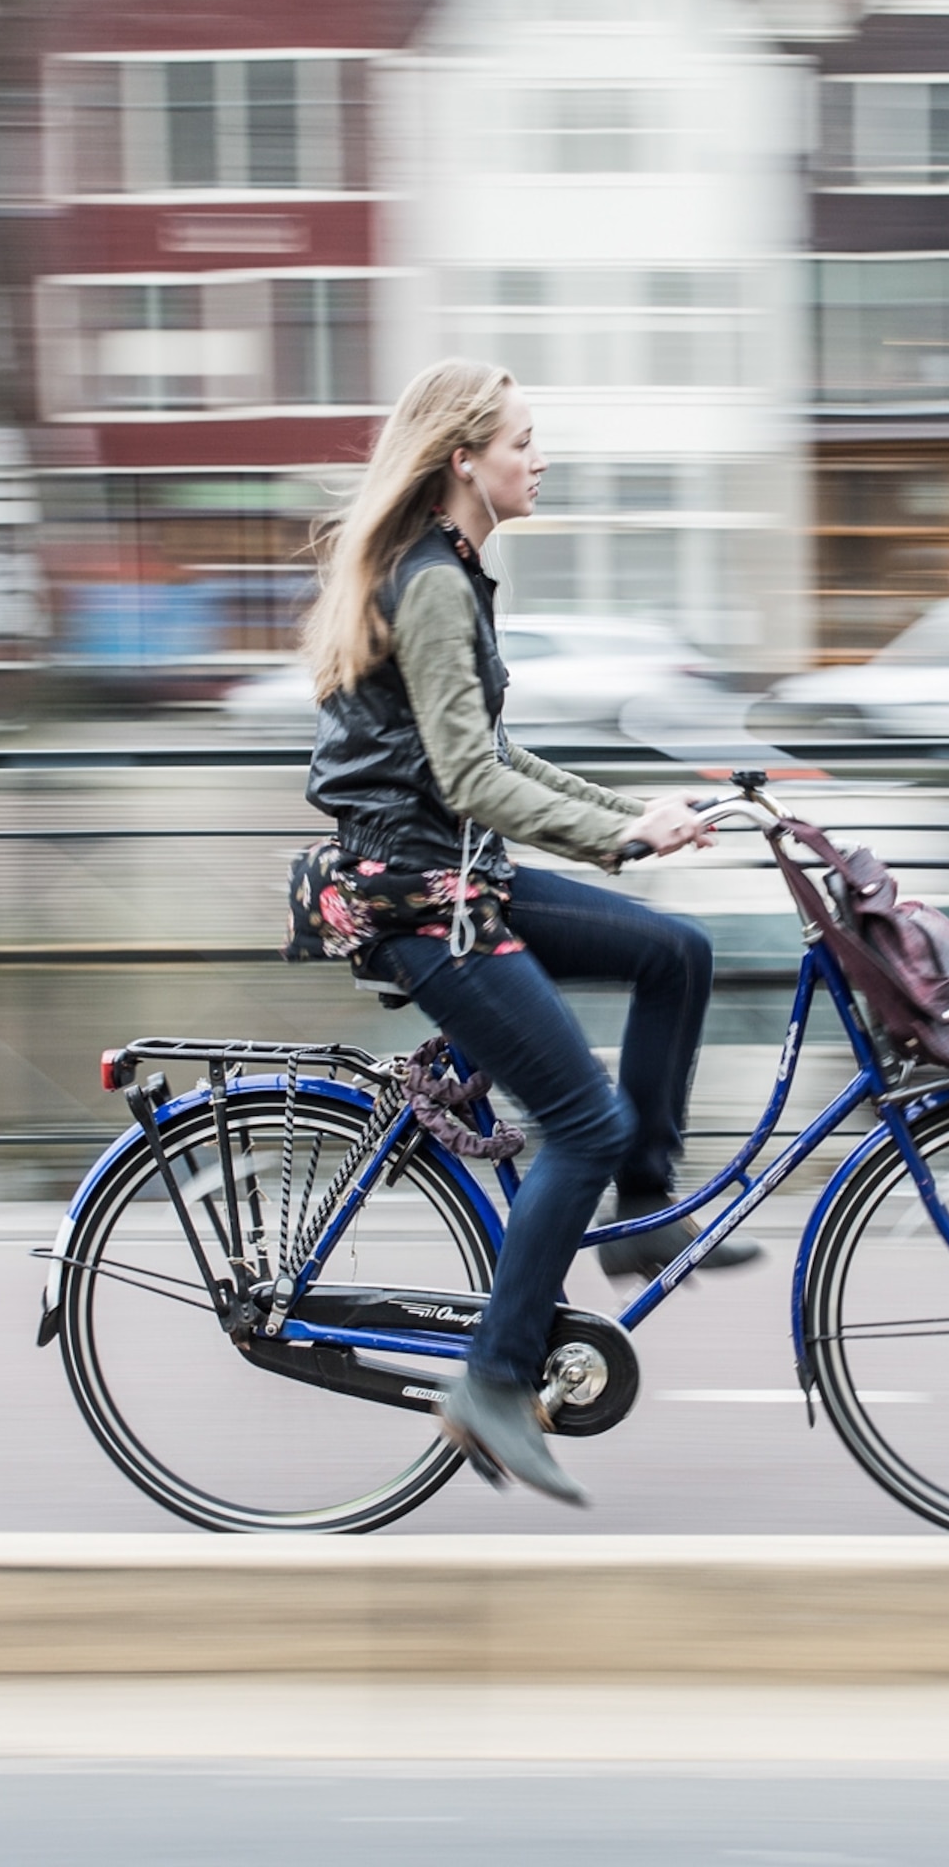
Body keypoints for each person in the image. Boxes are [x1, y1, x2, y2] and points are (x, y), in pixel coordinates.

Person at [300, 356, 755, 1505]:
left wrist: (633, 819)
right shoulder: (437, 581)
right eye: (521, 440)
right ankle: (496, 1381)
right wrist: (620, 839)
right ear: (465, 459)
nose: (538, 458)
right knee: (582, 1120)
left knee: (676, 953)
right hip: (425, 902)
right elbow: (466, 773)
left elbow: (493, 762)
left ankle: (643, 1216)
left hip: (462, 878)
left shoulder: (448, 567)